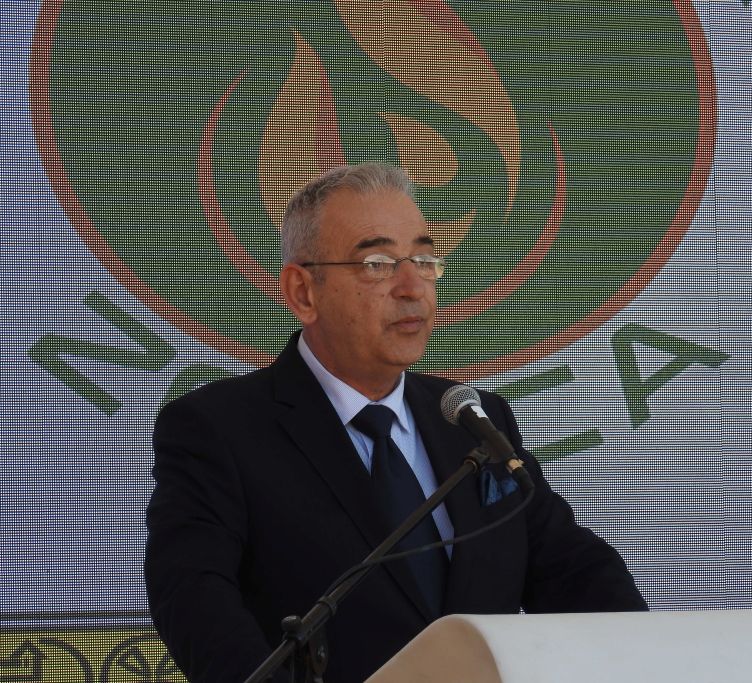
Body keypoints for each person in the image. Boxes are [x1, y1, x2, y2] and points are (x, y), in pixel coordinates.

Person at [144, 162, 646, 683]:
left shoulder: (473, 417)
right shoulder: (218, 428)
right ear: (303, 292)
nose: (412, 287)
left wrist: (645, 653)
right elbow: (194, 598)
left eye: (424, 260)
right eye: (378, 263)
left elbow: (570, 568)